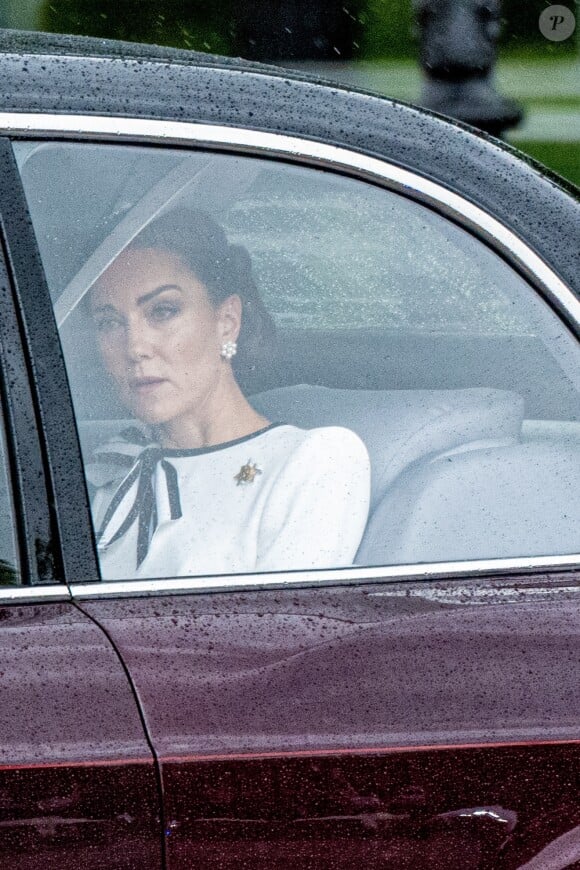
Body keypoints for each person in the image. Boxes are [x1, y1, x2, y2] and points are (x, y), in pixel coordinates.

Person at [87, 208, 370, 580]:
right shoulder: (111, 464)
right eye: (109, 322)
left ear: (227, 321)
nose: (135, 346)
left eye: (163, 311)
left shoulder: (311, 460)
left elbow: (283, 631)